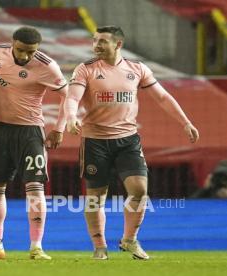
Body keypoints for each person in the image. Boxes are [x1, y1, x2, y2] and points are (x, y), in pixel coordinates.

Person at [66, 25, 200, 260]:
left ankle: (129, 240)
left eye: (102, 41)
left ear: (118, 44)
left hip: (128, 139)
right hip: (95, 140)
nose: (96, 45)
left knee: (139, 190)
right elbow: (73, 97)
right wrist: (70, 117)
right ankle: (99, 247)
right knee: (96, 196)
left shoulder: (137, 69)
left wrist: (185, 122)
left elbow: (163, 97)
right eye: (94, 40)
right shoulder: (85, 69)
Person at [0, 26, 70, 260]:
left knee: (34, 187)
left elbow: (68, 95)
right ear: (12, 43)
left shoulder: (47, 66)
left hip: (29, 132)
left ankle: (37, 247)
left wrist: (59, 129)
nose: (24, 56)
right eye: (21, 50)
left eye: (30, 52)